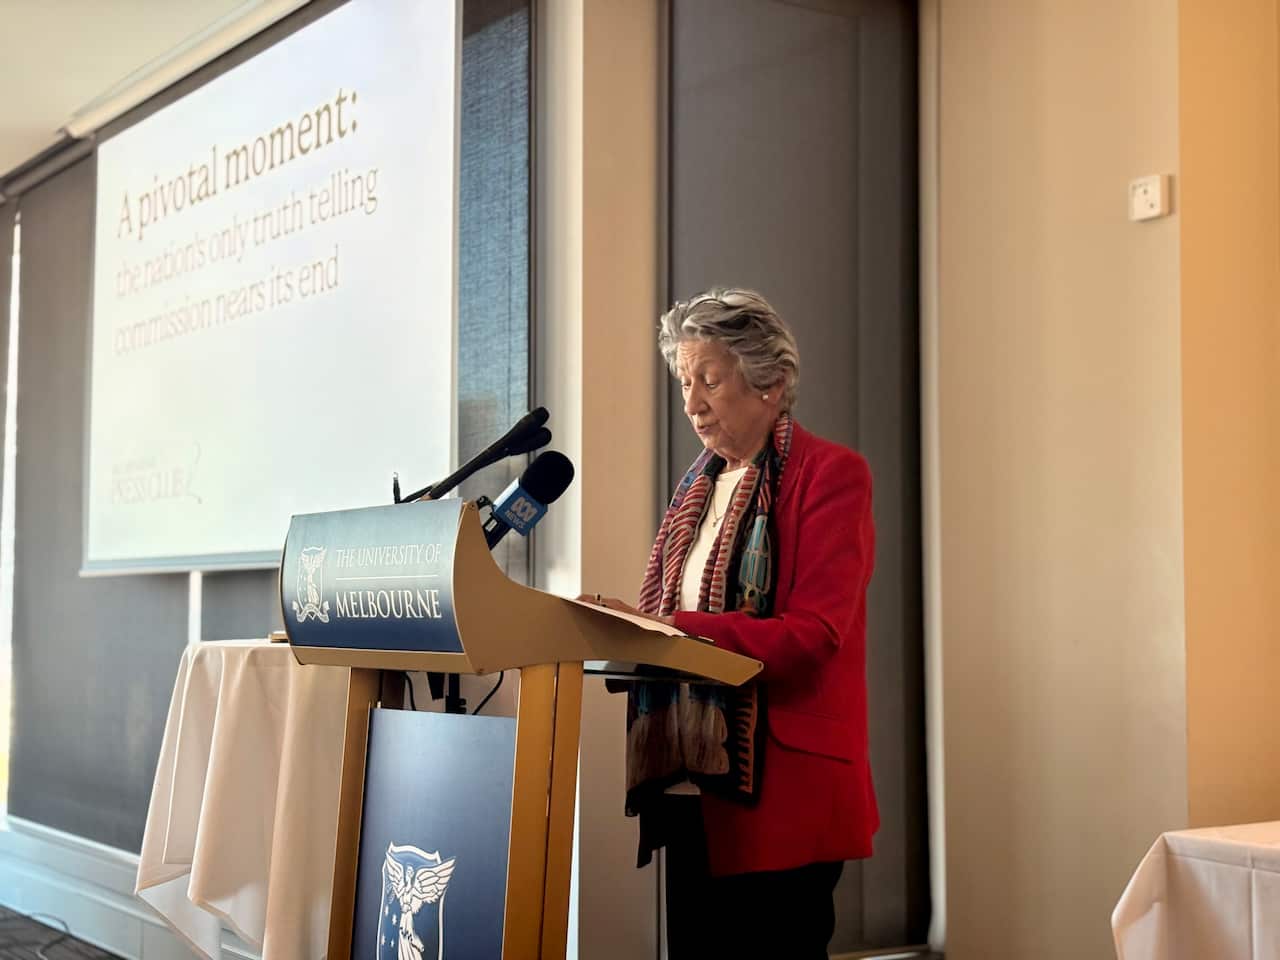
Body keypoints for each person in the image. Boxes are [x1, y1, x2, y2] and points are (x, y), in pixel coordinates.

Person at [584, 288, 878, 958]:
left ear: (769, 382)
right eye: (685, 382)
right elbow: (673, 618)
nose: (691, 403)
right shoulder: (697, 491)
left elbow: (814, 635)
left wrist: (674, 633)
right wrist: (635, 633)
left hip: (784, 788)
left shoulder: (832, 475)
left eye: (710, 380)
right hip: (691, 784)